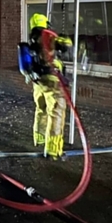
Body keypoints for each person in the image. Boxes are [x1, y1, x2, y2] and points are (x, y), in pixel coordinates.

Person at [22, 13, 72, 160]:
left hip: (38, 82)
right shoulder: (48, 37)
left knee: (41, 109)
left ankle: (40, 139)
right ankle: (53, 150)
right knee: (56, 112)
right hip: (53, 81)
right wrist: (64, 38)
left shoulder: (32, 41)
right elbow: (66, 45)